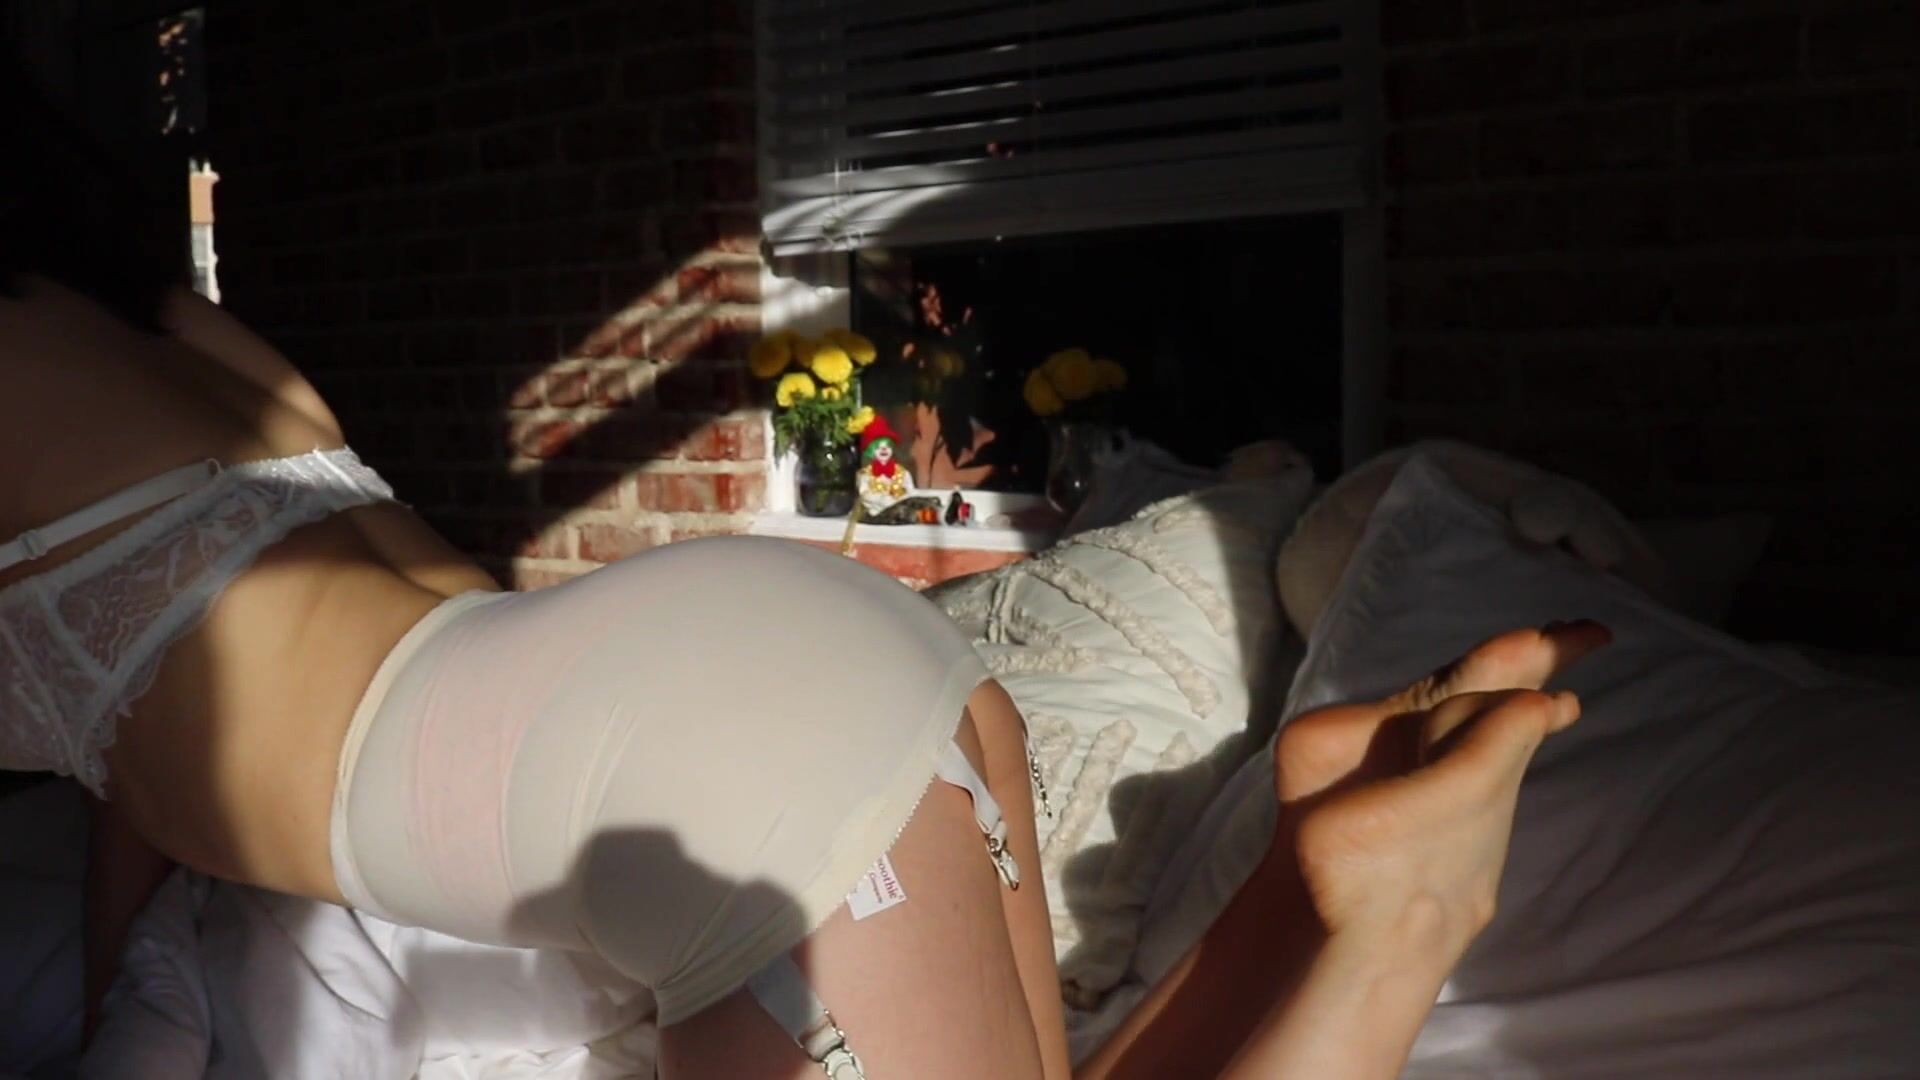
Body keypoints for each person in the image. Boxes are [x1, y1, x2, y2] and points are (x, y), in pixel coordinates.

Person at [2, 66, 1606, 1079]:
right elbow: (152, 729)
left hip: (717, 763)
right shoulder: (170, 328)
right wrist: (103, 1000)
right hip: (803, 656)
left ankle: (1392, 926)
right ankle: (1307, 891)